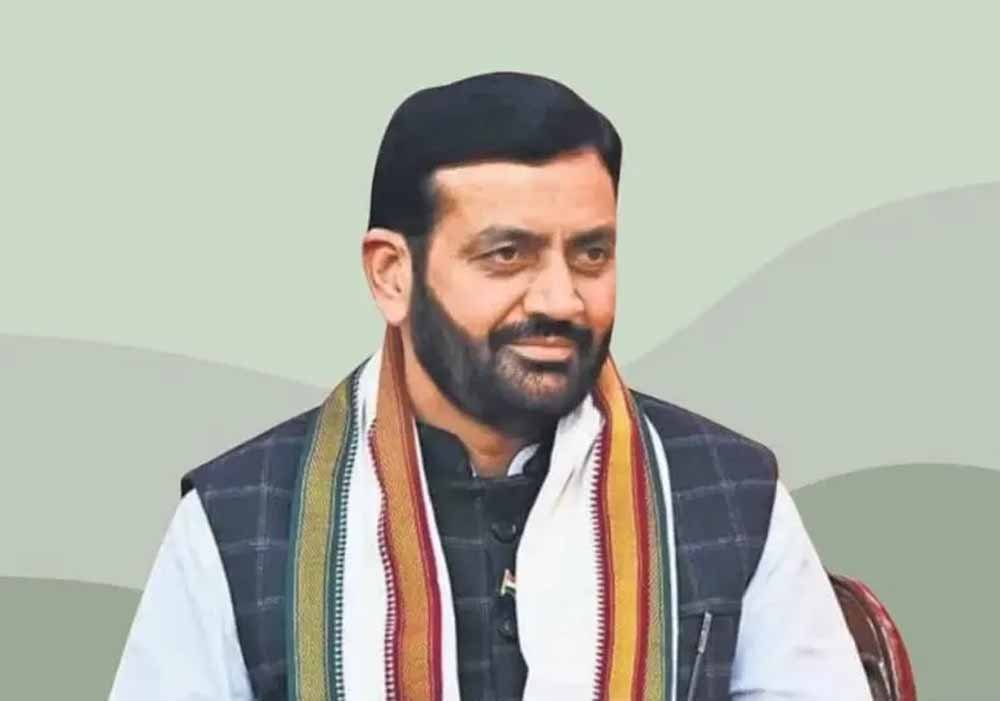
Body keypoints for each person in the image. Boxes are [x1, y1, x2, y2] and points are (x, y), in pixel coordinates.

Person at [110, 71, 872, 701]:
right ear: (391, 273)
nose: (561, 299)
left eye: (591, 254)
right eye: (508, 254)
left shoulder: (728, 493)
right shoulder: (240, 515)